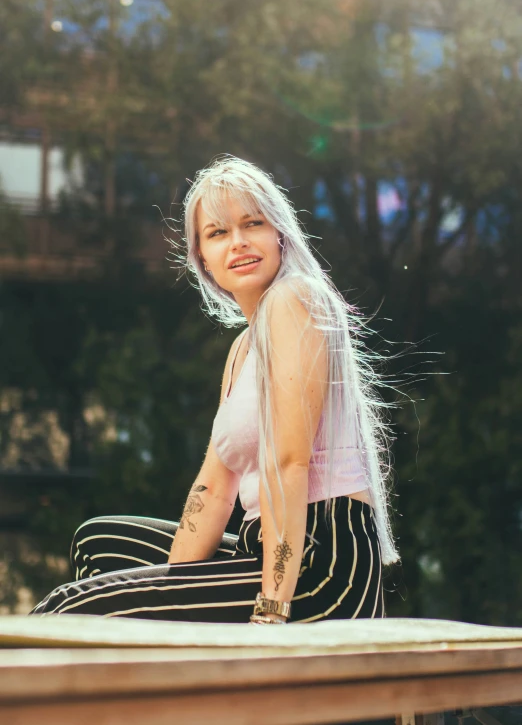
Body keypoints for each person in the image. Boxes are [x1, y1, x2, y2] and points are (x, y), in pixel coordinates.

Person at [31, 155, 400, 624]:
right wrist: (173, 601)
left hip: (321, 566)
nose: (239, 243)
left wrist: (271, 611)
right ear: (201, 256)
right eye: (218, 232)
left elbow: (290, 463)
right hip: (258, 545)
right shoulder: (244, 347)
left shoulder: (294, 299)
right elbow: (214, 488)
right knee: (98, 541)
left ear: (280, 233)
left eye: (253, 224)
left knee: (65, 608)